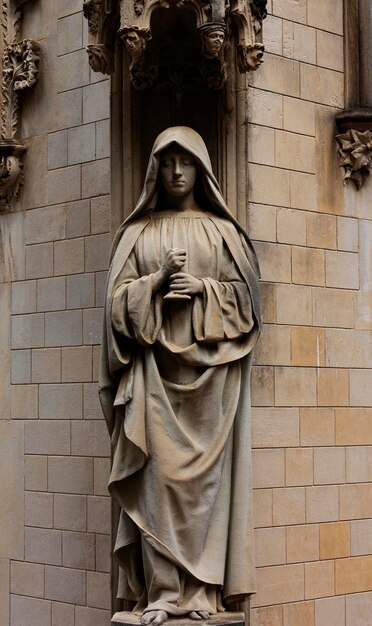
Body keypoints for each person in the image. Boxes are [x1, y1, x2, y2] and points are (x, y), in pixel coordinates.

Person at [100, 127, 261, 625]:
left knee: (208, 493)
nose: (175, 172)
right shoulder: (138, 235)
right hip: (152, 382)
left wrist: (203, 290)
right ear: (154, 170)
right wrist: (154, 285)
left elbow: (250, 305)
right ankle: (163, 592)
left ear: (200, 169)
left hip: (213, 388)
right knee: (156, 485)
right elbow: (114, 310)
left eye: (185, 163)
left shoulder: (224, 233)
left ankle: (202, 595)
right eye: (167, 163)